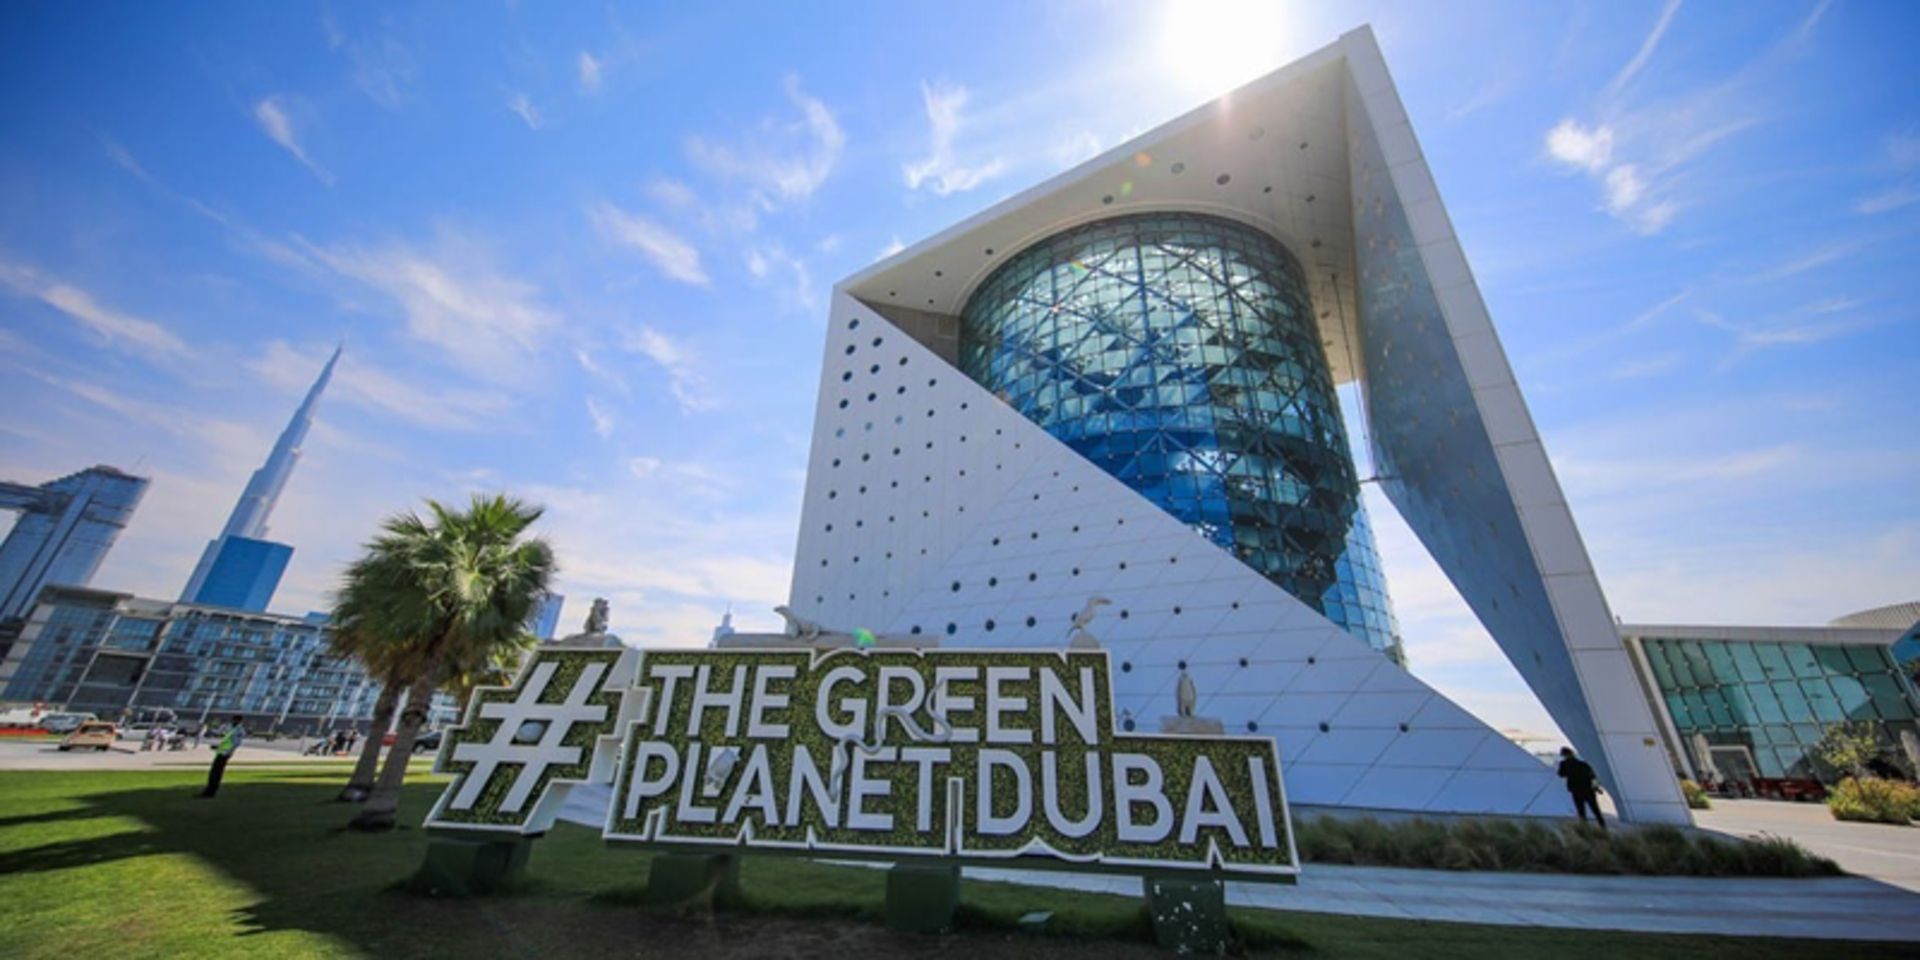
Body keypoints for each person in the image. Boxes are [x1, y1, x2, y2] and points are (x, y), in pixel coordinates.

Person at [1557, 746, 1605, 830]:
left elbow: (1561, 774)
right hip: (1588, 790)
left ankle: (1584, 829)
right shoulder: (1583, 764)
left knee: (1581, 811)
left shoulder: (1564, 764)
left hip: (1576, 790)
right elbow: (1593, 776)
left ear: (1564, 755)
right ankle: (1603, 827)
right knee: (1596, 810)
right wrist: (1596, 788)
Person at [198, 715, 246, 798]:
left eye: (235, 720)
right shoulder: (231, 728)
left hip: (225, 754)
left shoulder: (239, 731)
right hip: (221, 752)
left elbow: (235, 743)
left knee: (217, 772)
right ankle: (210, 789)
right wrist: (217, 746)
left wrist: (228, 752)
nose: (233, 722)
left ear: (239, 721)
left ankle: (211, 791)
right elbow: (224, 738)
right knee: (214, 772)